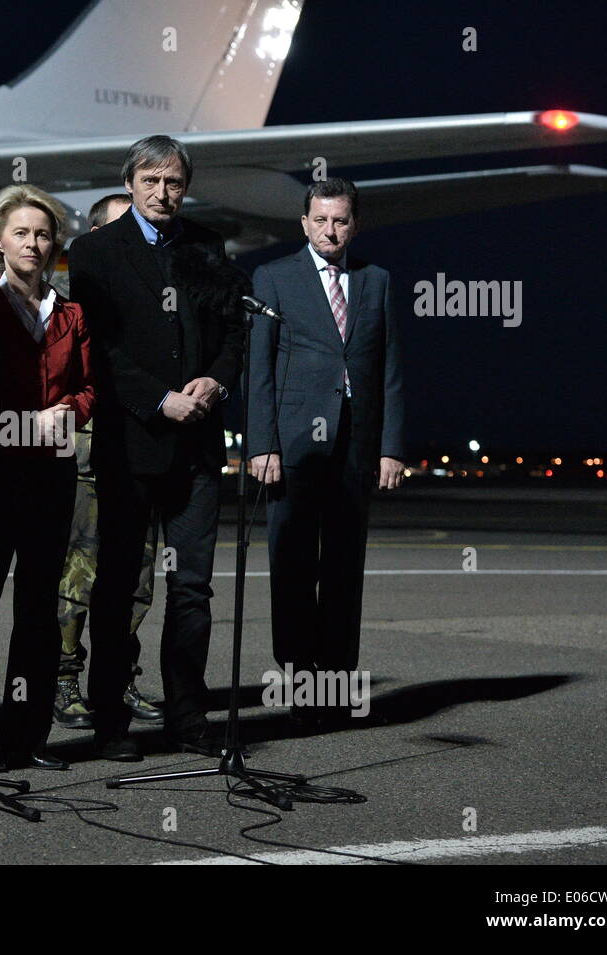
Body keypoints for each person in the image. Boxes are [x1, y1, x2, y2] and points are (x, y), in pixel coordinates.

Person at [68, 135, 241, 762]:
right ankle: (110, 722)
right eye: (150, 181)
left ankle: (187, 717)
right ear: (131, 183)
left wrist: (215, 381)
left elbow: (233, 332)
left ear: (185, 186)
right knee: (115, 587)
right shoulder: (93, 251)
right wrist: (157, 399)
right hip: (131, 443)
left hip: (196, 447)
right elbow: (97, 349)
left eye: (173, 182)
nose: (162, 193)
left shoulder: (206, 246)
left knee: (192, 589)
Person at [247, 177, 404, 732]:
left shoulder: (376, 281)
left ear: (353, 225)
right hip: (291, 448)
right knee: (291, 566)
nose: (330, 230)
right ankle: (299, 679)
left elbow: (388, 370)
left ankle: (337, 682)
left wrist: (390, 448)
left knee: (343, 569)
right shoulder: (273, 278)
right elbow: (258, 370)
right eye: (321, 220)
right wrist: (260, 443)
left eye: (340, 220)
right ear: (304, 223)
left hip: (355, 448)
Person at [0, 184, 95, 771]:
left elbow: (93, 387)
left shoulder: (71, 313)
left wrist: (70, 412)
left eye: (43, 234)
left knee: (38, 605)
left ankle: (27, 734)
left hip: (51, 474)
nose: (33, 243)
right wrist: (24, 422)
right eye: (21, 233)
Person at [55, 192, 164, 730]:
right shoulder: (70, 303)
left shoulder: (152, 299)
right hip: (90, 456)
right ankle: (63, 678)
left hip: (139, 453)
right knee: (80, 574)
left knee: (139, 577)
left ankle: (120, 679)